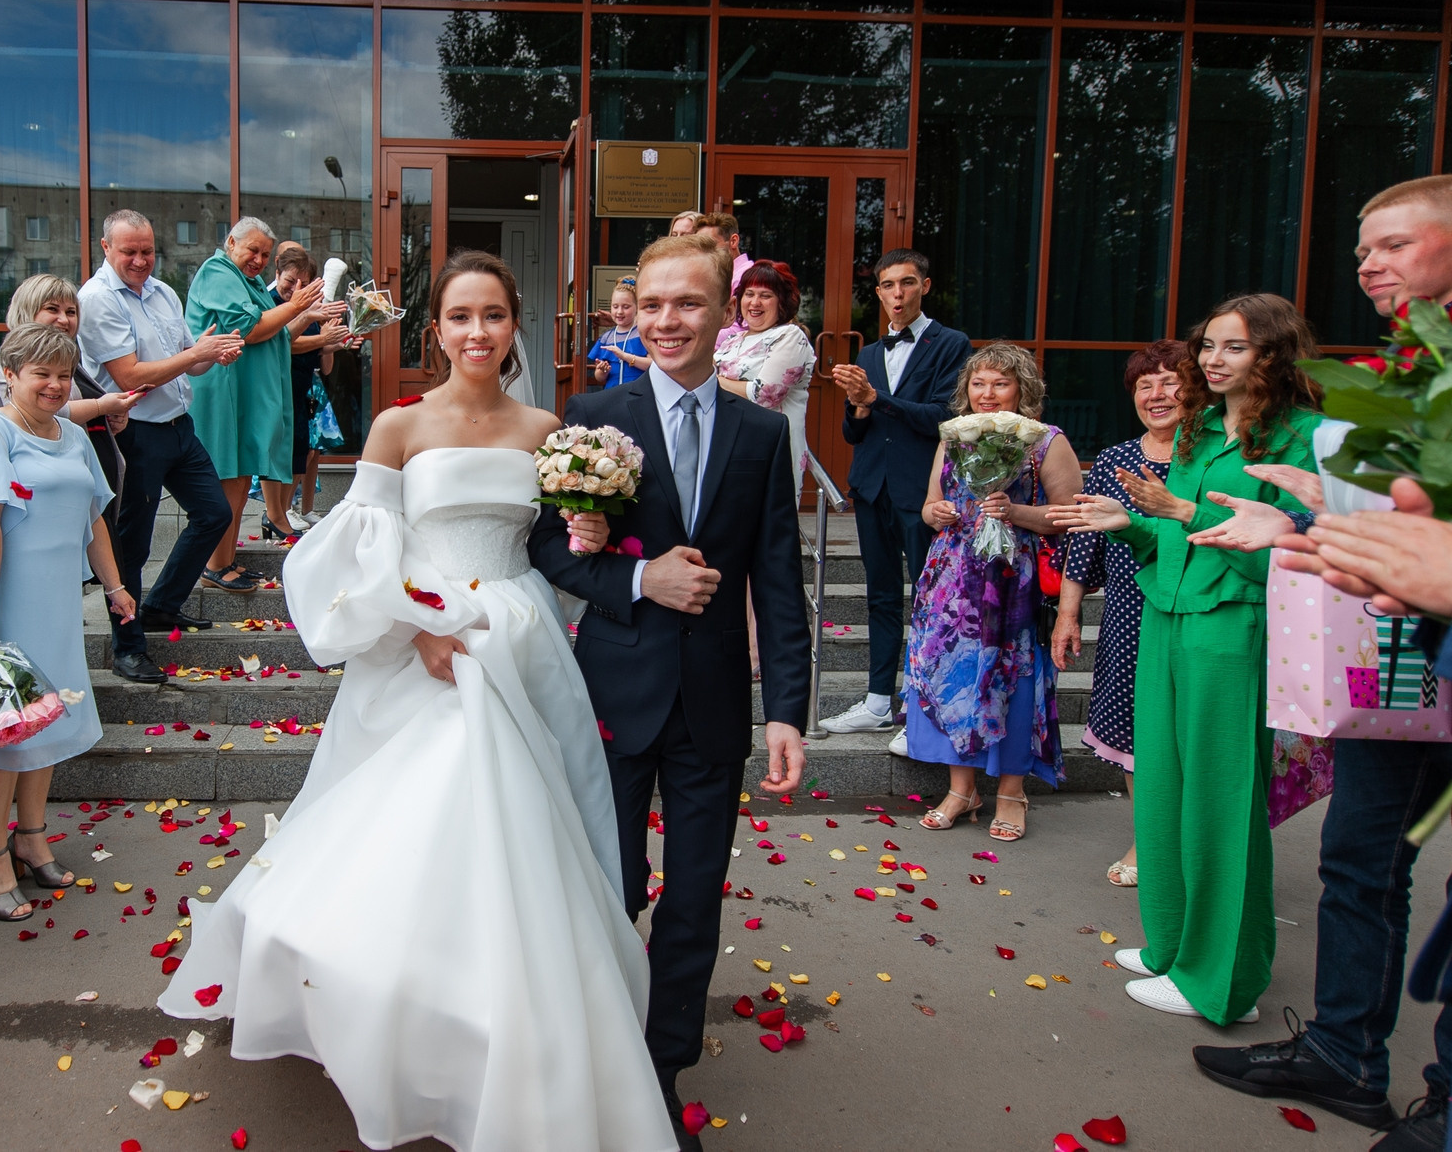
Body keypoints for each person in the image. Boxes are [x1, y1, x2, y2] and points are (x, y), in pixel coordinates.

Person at [161, 249, 675, 1152]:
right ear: (435, 329)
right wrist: (416, 625)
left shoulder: (549, 427)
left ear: (514, 326)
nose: (478, 332)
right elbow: (359, 547)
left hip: (523, 637)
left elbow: (560, 544)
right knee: (421, 825)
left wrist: (592, 527)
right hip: (429, 640)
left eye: (494, 315)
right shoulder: (399, 426)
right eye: (460, 316)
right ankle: (411, 1015)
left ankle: (503, 1017)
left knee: (526, 829)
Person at [532, 233, 813, 1151]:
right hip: (613, 691)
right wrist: (637, 577)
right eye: (651, 304)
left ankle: (660, 1074)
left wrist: (787, 710)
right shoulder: (591, 414)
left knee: (693, 900)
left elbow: (778, 578)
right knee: (609, 887)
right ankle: (599, 1053)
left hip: (714, 702)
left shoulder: (761, 433)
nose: (665, 321)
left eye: (687, 303)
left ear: (724, 313)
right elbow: (548, 548)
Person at [1190, 175, 1452, 1152]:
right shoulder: (1399, 374)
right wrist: (1300, 521)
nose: (1368, 264)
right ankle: (1345, 1052)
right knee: (1357, 857)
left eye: (1393, 244)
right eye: (1361, 250)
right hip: (1400, 654)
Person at [1051, 292, 1322, 1028]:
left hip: (1231, 629)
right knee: (1164, 792)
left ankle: (1222, 981)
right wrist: (1127, 523)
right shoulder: (1200, 428)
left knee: (1220, 805)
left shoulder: (1303, 437)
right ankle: (1173, 946)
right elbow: (1170, 540)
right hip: (1164, 620)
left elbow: (1292, 556)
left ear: (1273, 352)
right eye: (1208, 345)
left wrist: (1183, 512)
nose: (1212, 359)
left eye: (1234, 346)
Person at [0, 323, 135, 926]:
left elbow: (93, 519)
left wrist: (115, 586)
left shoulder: (75, 435)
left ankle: (32, 838)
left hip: (58, 600)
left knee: (47, 716)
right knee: (2, 730)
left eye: (63, 375)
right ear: (9, 374)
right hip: (5, 601)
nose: (54, 385)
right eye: (41, 373)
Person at [905, 344, 1081, 840]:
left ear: (1022, 389)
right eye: (978, 383)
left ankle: (1011, 793)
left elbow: (1069, 516)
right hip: (951, 582)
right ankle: (962, 790)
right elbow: (930, 505)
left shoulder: (1046, 441)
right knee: (949, 675)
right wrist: (936, 513)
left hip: (1011, 581)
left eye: (1000, 383)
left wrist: (1015, 512)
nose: (987, 393)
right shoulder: (953, 436)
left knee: (1012, 680)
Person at [77, 210, 242, 684]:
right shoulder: (97, 299)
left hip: (178, 426)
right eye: (129, 251)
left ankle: (161, 606)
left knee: (214, 512)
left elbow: (189, 363)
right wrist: (195, 355)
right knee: (132, 543)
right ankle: (127, 647)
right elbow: (129, 375)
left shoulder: (164, 291)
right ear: (105, 248)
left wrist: (213, 353)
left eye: (147, 251)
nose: (140, 260)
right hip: (133, 432)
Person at [823, 249, 971, 746]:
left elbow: (944, 418)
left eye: (907, 283)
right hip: (871, 487)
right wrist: (859, 409)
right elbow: (852, 433)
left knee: (931, 599)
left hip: (921, 490)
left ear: (924, 286)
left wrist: (875, 399)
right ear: (879, 293)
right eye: (888, 285)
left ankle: (924, 708)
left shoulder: (951, 343)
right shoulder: (868, 353)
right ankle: (877, 702)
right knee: (881, 597)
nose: (897, 294)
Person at [1052, 339, 1184, 885]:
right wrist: (1067, 614)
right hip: (1130, 614)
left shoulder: (1212, 456)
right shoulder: (1114, 459)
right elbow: (1084, 542)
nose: (1157, 394)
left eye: (1170, 381)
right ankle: (1149, 838)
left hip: (1194, 611)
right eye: (1144, 384)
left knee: (1184, 730)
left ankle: (1191, 841)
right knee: (1133, 728)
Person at [0, 273, 145, 612]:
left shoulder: (73, 358)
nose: (63, 319)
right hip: (36, 511)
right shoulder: (5, 364)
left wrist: (109, 416)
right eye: (52, 309)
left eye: (71, 312)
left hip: (76, 496)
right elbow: (30, 415)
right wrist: (101, 406)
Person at [188, 217, 326, 566]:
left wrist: (307, 315)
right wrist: (296, 307)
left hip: (244, 396)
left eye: (265, 255)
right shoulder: (217, 272)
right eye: (254, 250)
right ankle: (216, 565)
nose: (259, 260)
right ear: (231, 242)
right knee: (227, 481)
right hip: (223, 393)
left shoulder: (247, 281)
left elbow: (276, 334)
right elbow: (248, 330)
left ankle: (226, 562)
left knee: (238, 481)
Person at [261, 242, 350, 535]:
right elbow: (283, 342)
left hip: (302, 391)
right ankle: (276, 514)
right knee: (280, 453)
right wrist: (321, 338)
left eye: (304, 283)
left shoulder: (311, 307)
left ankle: (283, 514)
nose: (295, 289)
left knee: (302, 452)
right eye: (290, 281)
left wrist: (334, 343)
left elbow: (322, 361)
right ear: (277, 273)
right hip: (275, 390)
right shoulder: (268, 303)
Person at [713, 259, 815, 500]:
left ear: (782, 301)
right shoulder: (732, 341)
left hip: (770, 447)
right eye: (749, 294)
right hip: (729, 442)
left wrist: (712, 379)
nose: (755, 302)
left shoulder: (789, 336)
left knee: (769, 514)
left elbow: (765, 394)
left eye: (765, 295)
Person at [589, 277, 650, 389]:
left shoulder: (642, 333)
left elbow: (653, 365)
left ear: (637, 307)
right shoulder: (606, 338)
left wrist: (625, 356)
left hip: (639, 391)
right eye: (615, 306)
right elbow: (599, 377)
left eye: (626, 307)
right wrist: (603, 370)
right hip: (613, 393)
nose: (619, 311)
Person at [691, 211, 753, 296]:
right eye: (699, 245)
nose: (702, 251)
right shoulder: (716, 274)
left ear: (733, 241)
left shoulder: (746, 276)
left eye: (709, 244)